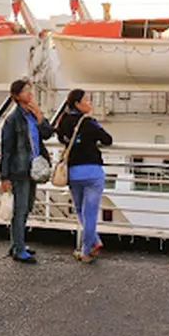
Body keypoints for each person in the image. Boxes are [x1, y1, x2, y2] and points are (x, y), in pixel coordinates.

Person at [54, 88, 113, 263]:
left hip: (73, 173)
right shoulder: (88, 122)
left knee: (80, 210)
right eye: (87, 100)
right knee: (91, 213)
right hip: (93, 173)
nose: (90, 103)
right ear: (77, 104)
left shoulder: (63, 121)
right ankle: (87, 251)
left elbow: (61, 138)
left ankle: (94, 241)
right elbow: (108, 140)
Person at [0, 78, 52, 263]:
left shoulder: (32, 114)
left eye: (30, 90)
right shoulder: (12, 119)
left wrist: (39, 116)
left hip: (34, 168)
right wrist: (4, 176)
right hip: (19, 169)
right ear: (16, 96)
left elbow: (47, 133)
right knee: (20, 209)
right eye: (25, 91)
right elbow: (6, 149)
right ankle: (19, 248)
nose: (30, 93)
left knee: (27, 207)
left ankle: (18, 244)